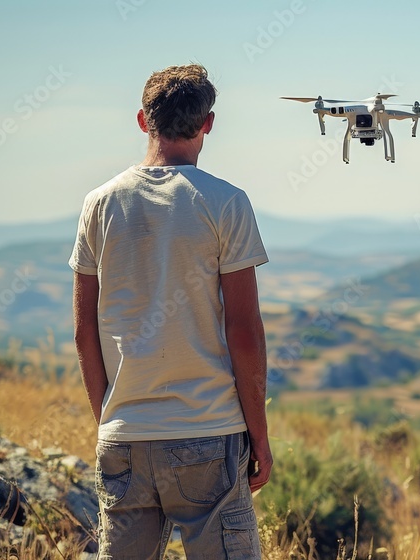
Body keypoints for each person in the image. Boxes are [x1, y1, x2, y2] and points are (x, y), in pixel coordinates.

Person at [69, 64, 271, 559]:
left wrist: (111, 423)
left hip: (124, 437)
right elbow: (243, 331)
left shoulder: (99, 204)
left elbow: (83, 333)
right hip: (208, 430)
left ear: (143, 120)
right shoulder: (227, 203)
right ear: (209, 123)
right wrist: (259, 439)